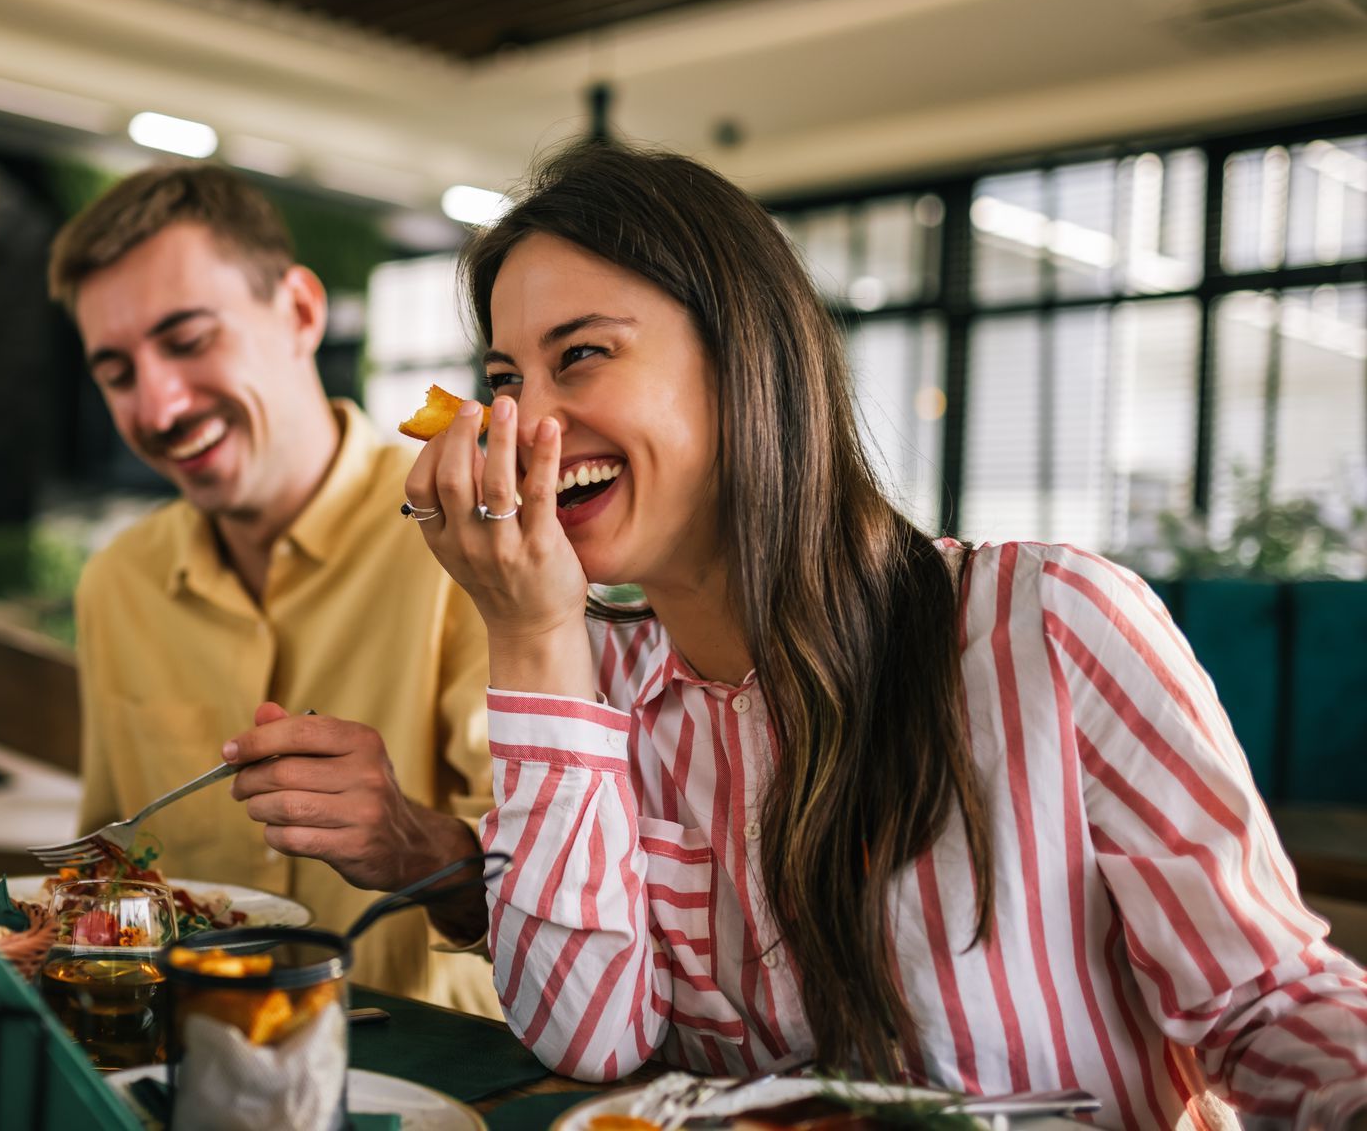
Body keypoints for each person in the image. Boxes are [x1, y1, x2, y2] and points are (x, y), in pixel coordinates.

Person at [405, 142, 1367, 1127]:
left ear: (748, 361)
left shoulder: (1050, 623)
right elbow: (587, 1038)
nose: (522, 430)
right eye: (505, 381)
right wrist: (532, 636)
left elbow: (1269, 1006)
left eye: (582, 355)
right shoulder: (596, 680)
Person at [49, 165, 497, 1012]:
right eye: (116, 373)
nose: (159, 404)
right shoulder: (118, 582)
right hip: (192, 1050)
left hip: (435, 1072)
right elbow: (116, 859)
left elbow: (557, 909)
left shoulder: (460, 536)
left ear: (299, 312)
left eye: (187, 341)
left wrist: (415, 845)